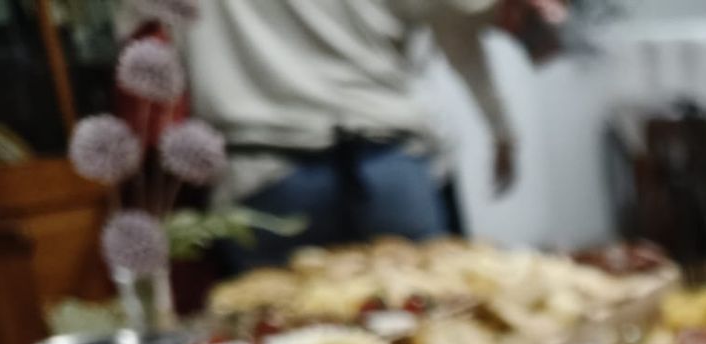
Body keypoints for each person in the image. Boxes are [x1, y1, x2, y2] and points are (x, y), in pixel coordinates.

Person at [178, 1, 536, 269]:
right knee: (434, 336)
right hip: (385, 162)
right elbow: (456, 17)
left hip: (265, 175)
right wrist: (501, 129)